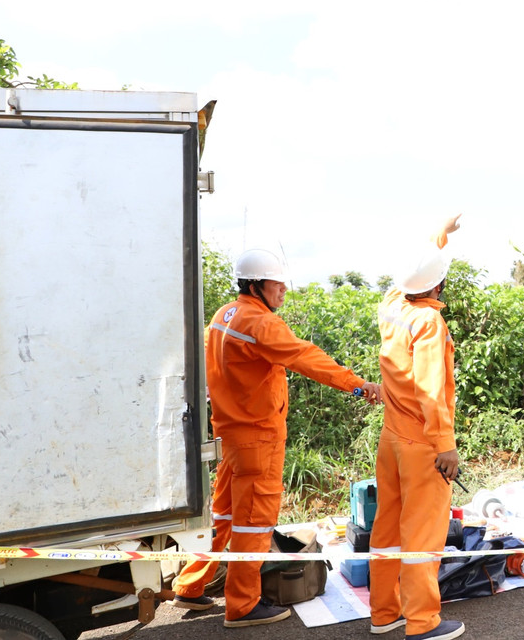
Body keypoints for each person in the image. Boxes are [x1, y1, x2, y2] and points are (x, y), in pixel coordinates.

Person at [171, 249, 381, 627]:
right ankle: (243, 605)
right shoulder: (260, 323)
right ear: (256, 285)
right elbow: (305, 356)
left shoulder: (224, 316)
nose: (283, 290)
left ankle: (189, 586)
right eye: (277, 283)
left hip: (229, 437)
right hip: (257, 439)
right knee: (253, 521)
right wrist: (357, 384)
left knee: (224, 516)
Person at [368, 215, 466, 640]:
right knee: (422, 535)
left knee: (387, 529)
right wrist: (446, 445)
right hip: (422, 443)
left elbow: (414, 273)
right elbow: (431, 391)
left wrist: (438, 237)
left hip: (390, 438)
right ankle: (423, 623)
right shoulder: (429, 323)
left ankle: (383, 613)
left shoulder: (392, 305)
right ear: (438, 285)